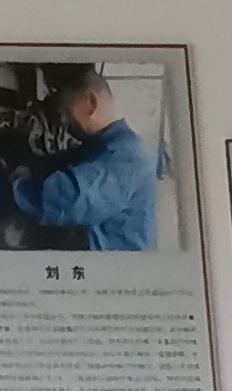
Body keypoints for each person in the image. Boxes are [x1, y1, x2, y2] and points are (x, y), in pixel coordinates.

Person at [8, 64, 157, 252]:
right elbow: (64, 160)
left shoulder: (125, 157)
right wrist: (32, 167)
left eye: (65, 111)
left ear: (90, 103)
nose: (63, 121)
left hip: (106, 260)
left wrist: (18, 186)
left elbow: (69, 200)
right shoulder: (101, 146)